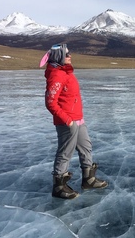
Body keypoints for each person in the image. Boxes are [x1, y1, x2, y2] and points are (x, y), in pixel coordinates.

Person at [41, 44, 108, 199]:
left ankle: (88, 179)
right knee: (65, 152)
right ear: (59, 57)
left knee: (86, 147)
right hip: (67, 122)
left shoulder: (66, 72)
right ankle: (59, 186)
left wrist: (76, 118)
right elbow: (50, 102)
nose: (70, 56)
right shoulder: (57, 75)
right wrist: (67, 120)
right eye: (67, 54)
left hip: (78, 119)